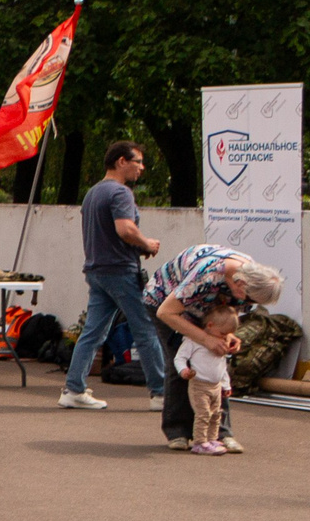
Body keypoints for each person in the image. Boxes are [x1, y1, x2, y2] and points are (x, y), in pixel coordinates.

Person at [59, 141, 166, 410]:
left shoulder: (93, 193)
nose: (141, 168)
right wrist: (147, 244)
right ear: (121, 161)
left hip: (97, 270)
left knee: (93, 333)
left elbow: (109, 234)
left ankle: (73, 389)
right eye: (137, 161)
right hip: (120, 272)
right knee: (145, 329)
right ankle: (162, 393)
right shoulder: (121, 193)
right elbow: (125, 229)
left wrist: (136, 246)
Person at [146, 245, 286, 450]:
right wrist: (205, 339)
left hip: (207, 309)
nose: (247, 304)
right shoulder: (206, 274)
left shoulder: (250, 279)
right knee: (181, 362)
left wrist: (228, 335)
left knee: (216, 362)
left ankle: (220, 433)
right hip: (165, 303)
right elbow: (165, 313)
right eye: (248, 299)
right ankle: (178, 432)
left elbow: (232, 310)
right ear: (239, 283)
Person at [175, 306, 240, 456]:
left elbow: (221, 366)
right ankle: (199, 442)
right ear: (210, 326)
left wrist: (226, 384)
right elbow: (180, 358)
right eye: (223, 333)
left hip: (216, 386)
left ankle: (212, 439)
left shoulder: (220, 343)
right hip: (199, 384)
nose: (225, 337)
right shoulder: (193, 341)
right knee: (203, 414)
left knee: (216, 414)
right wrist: (183, 370)